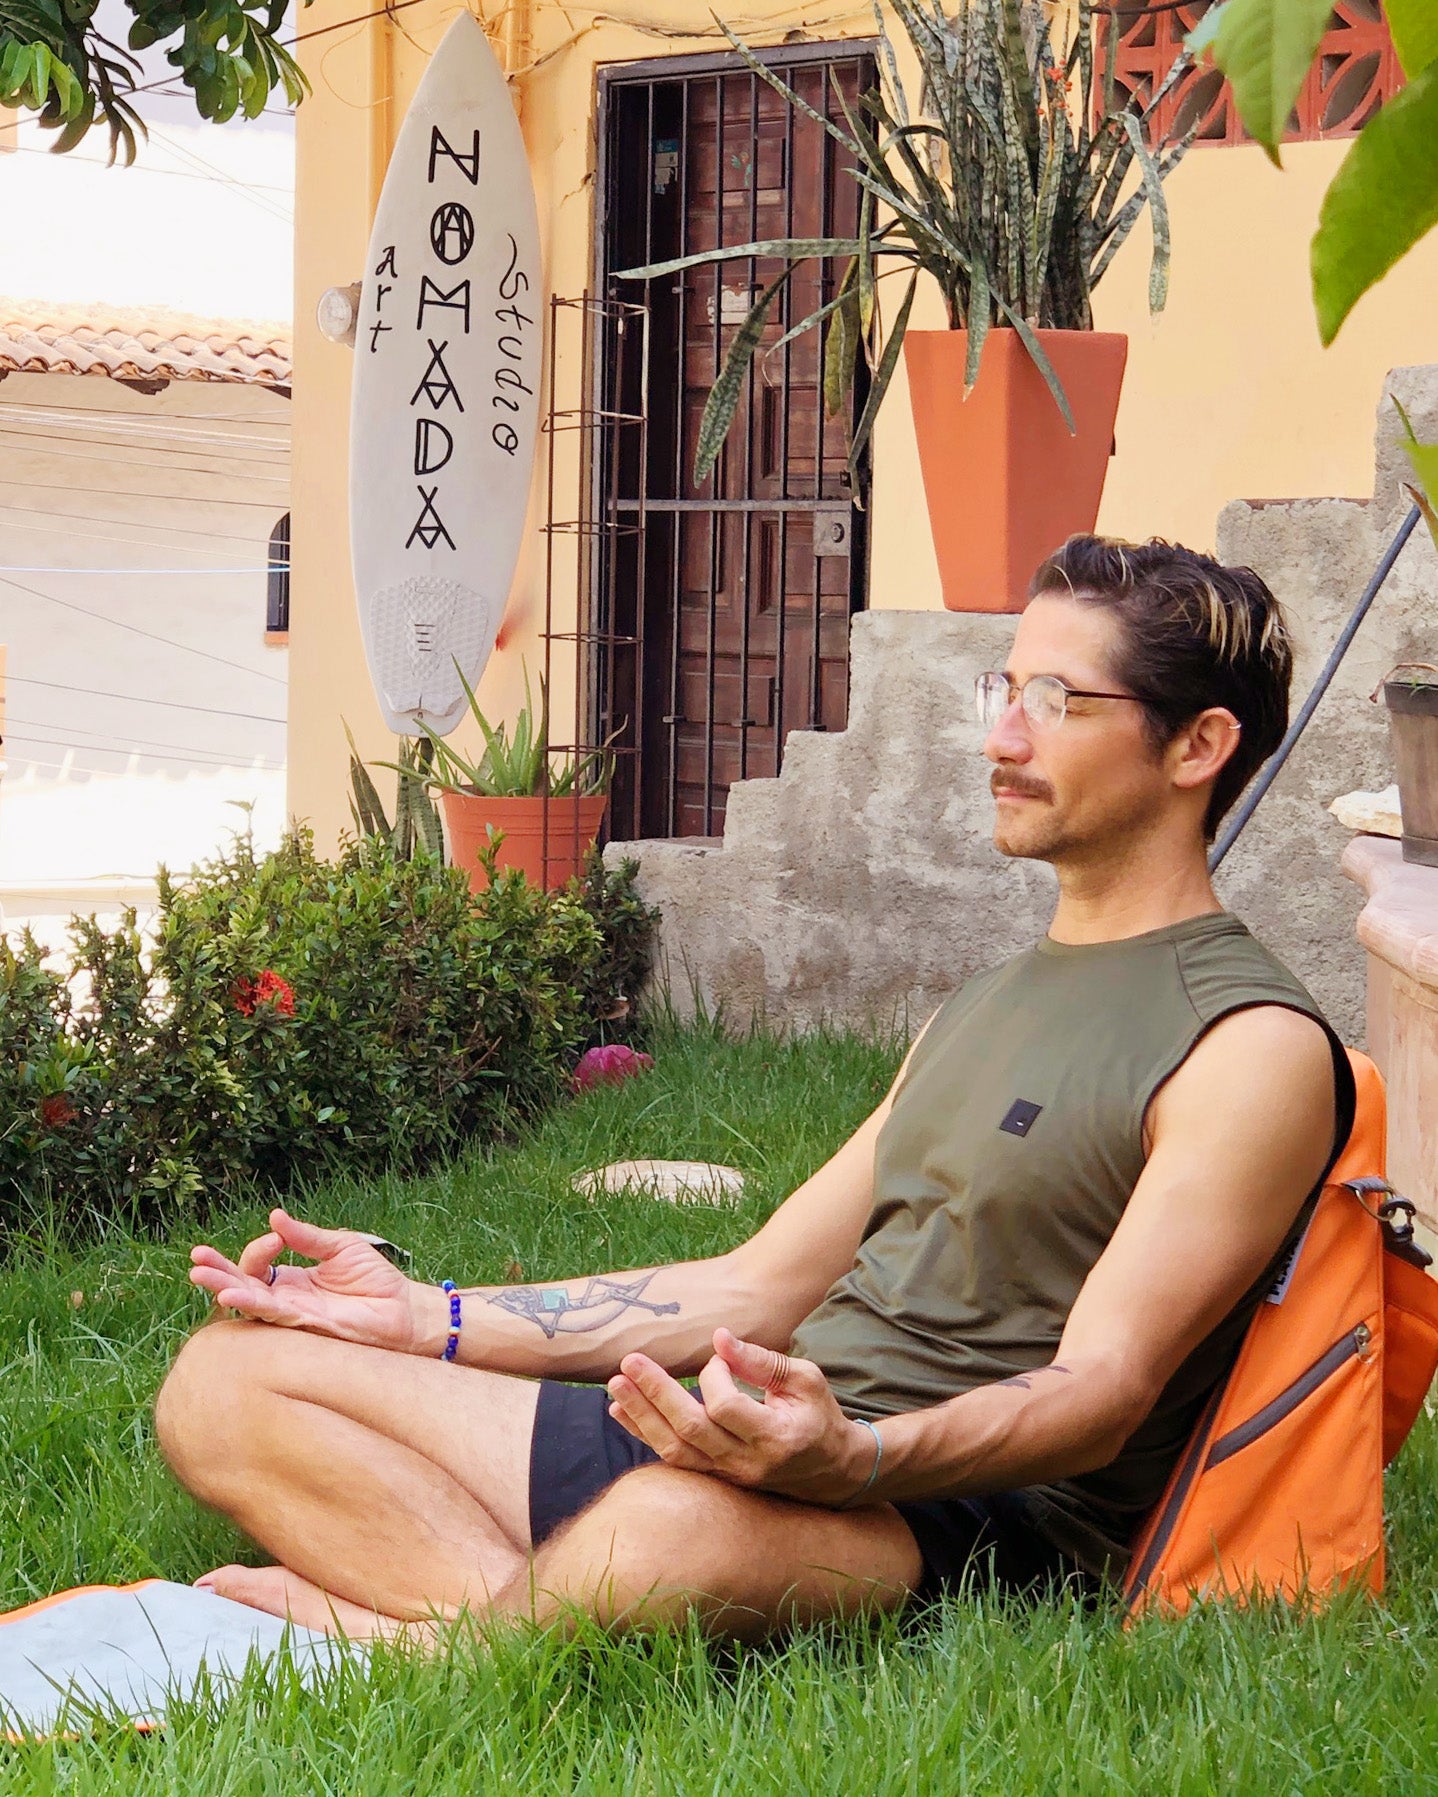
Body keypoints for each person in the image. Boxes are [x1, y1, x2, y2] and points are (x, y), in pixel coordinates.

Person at [155, 535, 1356, 1642]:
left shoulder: (1248, 1042)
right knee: (225, 1381)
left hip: (936, 1517)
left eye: (1058, 702)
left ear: (1196, 746)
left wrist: (857, 1460)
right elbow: (755, 1283)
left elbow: (1101, 1393)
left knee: (659, 1535)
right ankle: (503, 1624)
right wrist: (430, 1318)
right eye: (1003, 693)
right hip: (765, 1445)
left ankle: (410, 1641)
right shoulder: (981, 1004)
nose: (1002, 738)